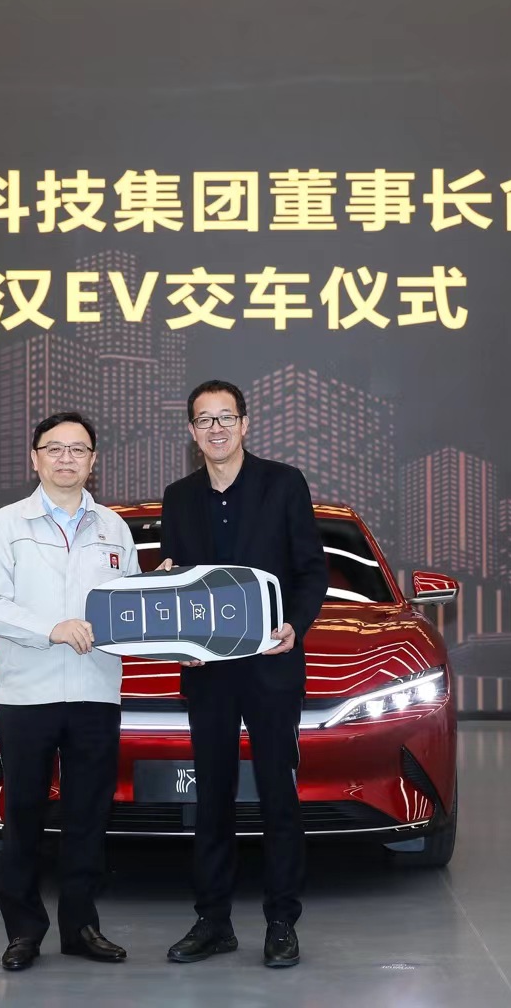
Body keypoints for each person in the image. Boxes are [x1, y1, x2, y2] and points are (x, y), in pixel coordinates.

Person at [157, 379, 329, 969]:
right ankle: (214, 922)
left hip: (271, 665)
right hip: (208, 671)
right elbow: (178, 582)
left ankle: (282, 922)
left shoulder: (284, 484)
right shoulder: (179, 497)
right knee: (212, 798)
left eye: (225, 417)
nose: (216, 428)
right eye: (204, 419)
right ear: (192, 431)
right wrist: (175, 633)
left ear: (245, 423)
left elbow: (311, 571)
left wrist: (295, 626)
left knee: (278, 794)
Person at [0, 411, 137, 972]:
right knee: (24, 811)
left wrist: (163, 598)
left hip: (95, 690)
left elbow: (127, 608)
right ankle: (23, 930)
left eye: (78, 449)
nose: (67, 458)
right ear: (35, 458)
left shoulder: (114, 529)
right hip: (28, 693)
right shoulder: (5, 525)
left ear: (93, 461)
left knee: (88, 814)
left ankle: (81, 927)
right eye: (55, 448)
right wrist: (52, 629)